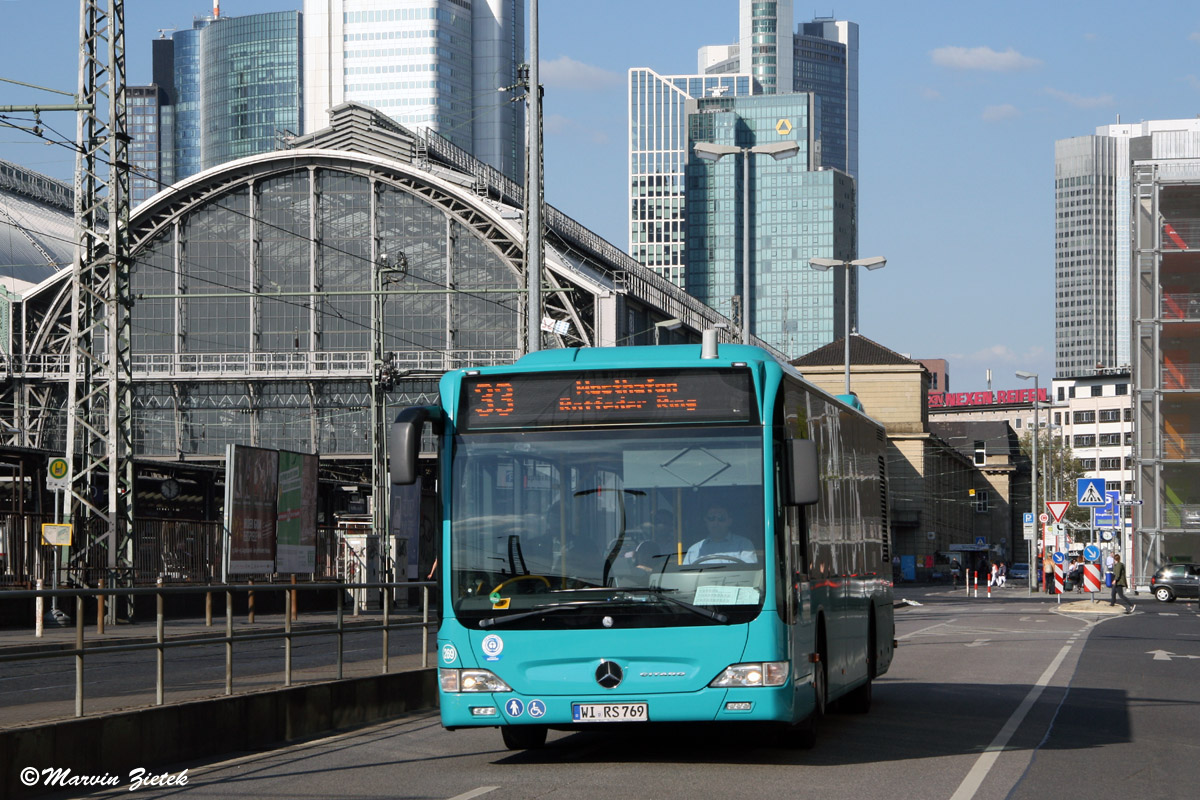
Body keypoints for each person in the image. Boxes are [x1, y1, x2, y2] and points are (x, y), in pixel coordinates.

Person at [682, 504, 757, 564]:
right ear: (706, 521)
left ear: (729, 521)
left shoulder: (744, 545)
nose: (716, 523)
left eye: (721, 518)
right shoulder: (695, 549)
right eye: (711, 518)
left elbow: (751, 575)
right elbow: (686, 579)